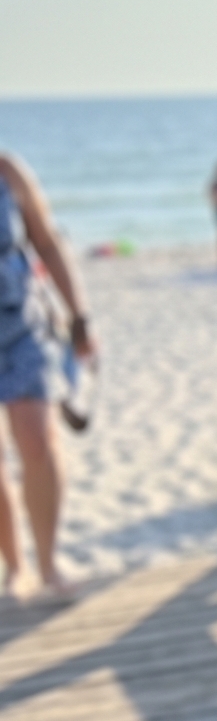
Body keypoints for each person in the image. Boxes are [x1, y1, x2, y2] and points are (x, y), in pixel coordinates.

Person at [0, 151, 96, 602]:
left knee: (38, 441)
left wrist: (79, 316)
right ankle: (14, 567)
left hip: (24, 327)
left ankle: (48, 561)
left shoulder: (8, 170)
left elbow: (47, 242)